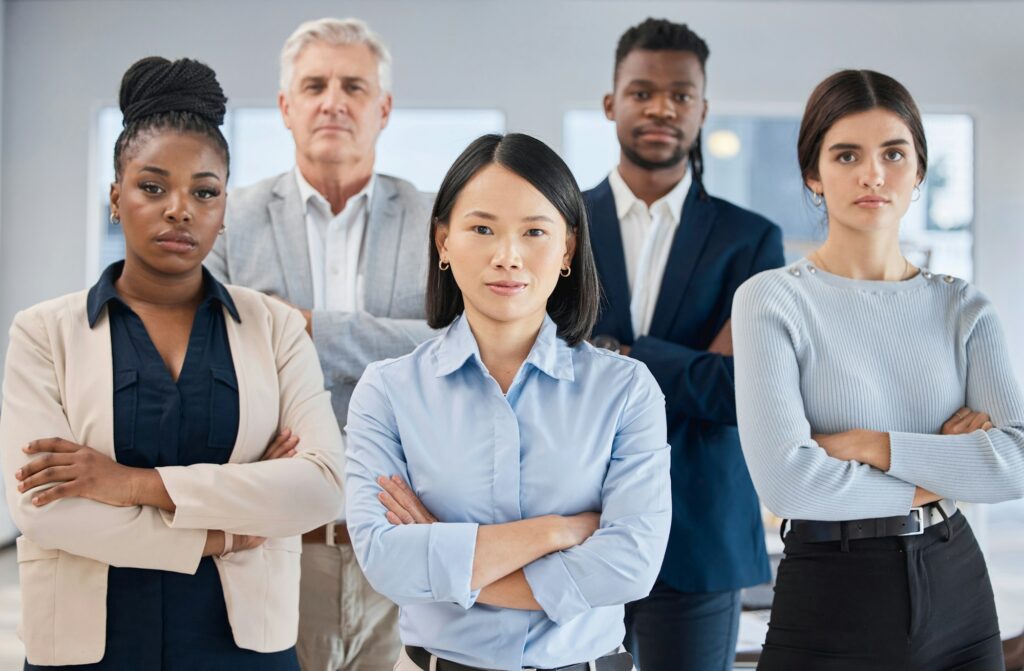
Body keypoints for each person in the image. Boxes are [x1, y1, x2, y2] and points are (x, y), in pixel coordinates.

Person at [0, 57, 345, 669]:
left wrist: (127, 484)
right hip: (88, 647)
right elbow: (42, 508)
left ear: (223, 206)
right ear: (116, 196)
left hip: (242, 645)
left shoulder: (276, 328)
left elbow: (320, 489)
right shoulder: (42, 333)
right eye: (152, 187)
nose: (179, 209)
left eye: (204, 192)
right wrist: (224, 532)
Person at [343, 133, 671, 671]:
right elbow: (385, 562)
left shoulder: (626, 390)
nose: (507, 256)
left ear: (566, 248)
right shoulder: (388, 390)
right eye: (482, 228)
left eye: (535, 231)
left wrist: (444, 560)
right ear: (444, 242)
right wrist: (557, 532)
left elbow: (630, 568)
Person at [733, 69, 1024, 670]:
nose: (873, 174)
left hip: (957, 586)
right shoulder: (771, 300)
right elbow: (788, 484)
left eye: (894, 153)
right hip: (829, 592)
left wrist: (868, 445)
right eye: (846, 155)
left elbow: (1017, 461)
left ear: (918, 171)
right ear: (813, 174)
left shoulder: (963, 307)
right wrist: (948, 469)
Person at [204, 17, 434, 671]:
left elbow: (455, 349)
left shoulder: (438, 219)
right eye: (315, 85)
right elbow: (211, 356)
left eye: (353, 85)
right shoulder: (228, 218)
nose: (333, 100)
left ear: (383, 108)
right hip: (272, 541)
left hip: (401, 541)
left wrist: (304, 328)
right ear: (286, 106)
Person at [583, 18, 784, 671]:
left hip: (701, 533)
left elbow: (738, 393)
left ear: (702, 109)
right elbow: (538, 368)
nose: (661, 108)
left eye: (680, 94)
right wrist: (686, 361)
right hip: (576, 525)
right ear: (612, 103)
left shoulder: (749, 240)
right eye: (642, 92)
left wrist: (622, 355)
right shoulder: (555, 223)